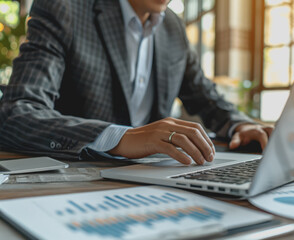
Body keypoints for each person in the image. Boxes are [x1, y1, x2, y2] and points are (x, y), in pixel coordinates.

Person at [0, 0, 272, 165]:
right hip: (78, 184)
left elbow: (205, 95)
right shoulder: (66, 9)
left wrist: (241, 124)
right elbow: (16, 114)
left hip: (156, 182)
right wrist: (120, 137)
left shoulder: (172, 28)